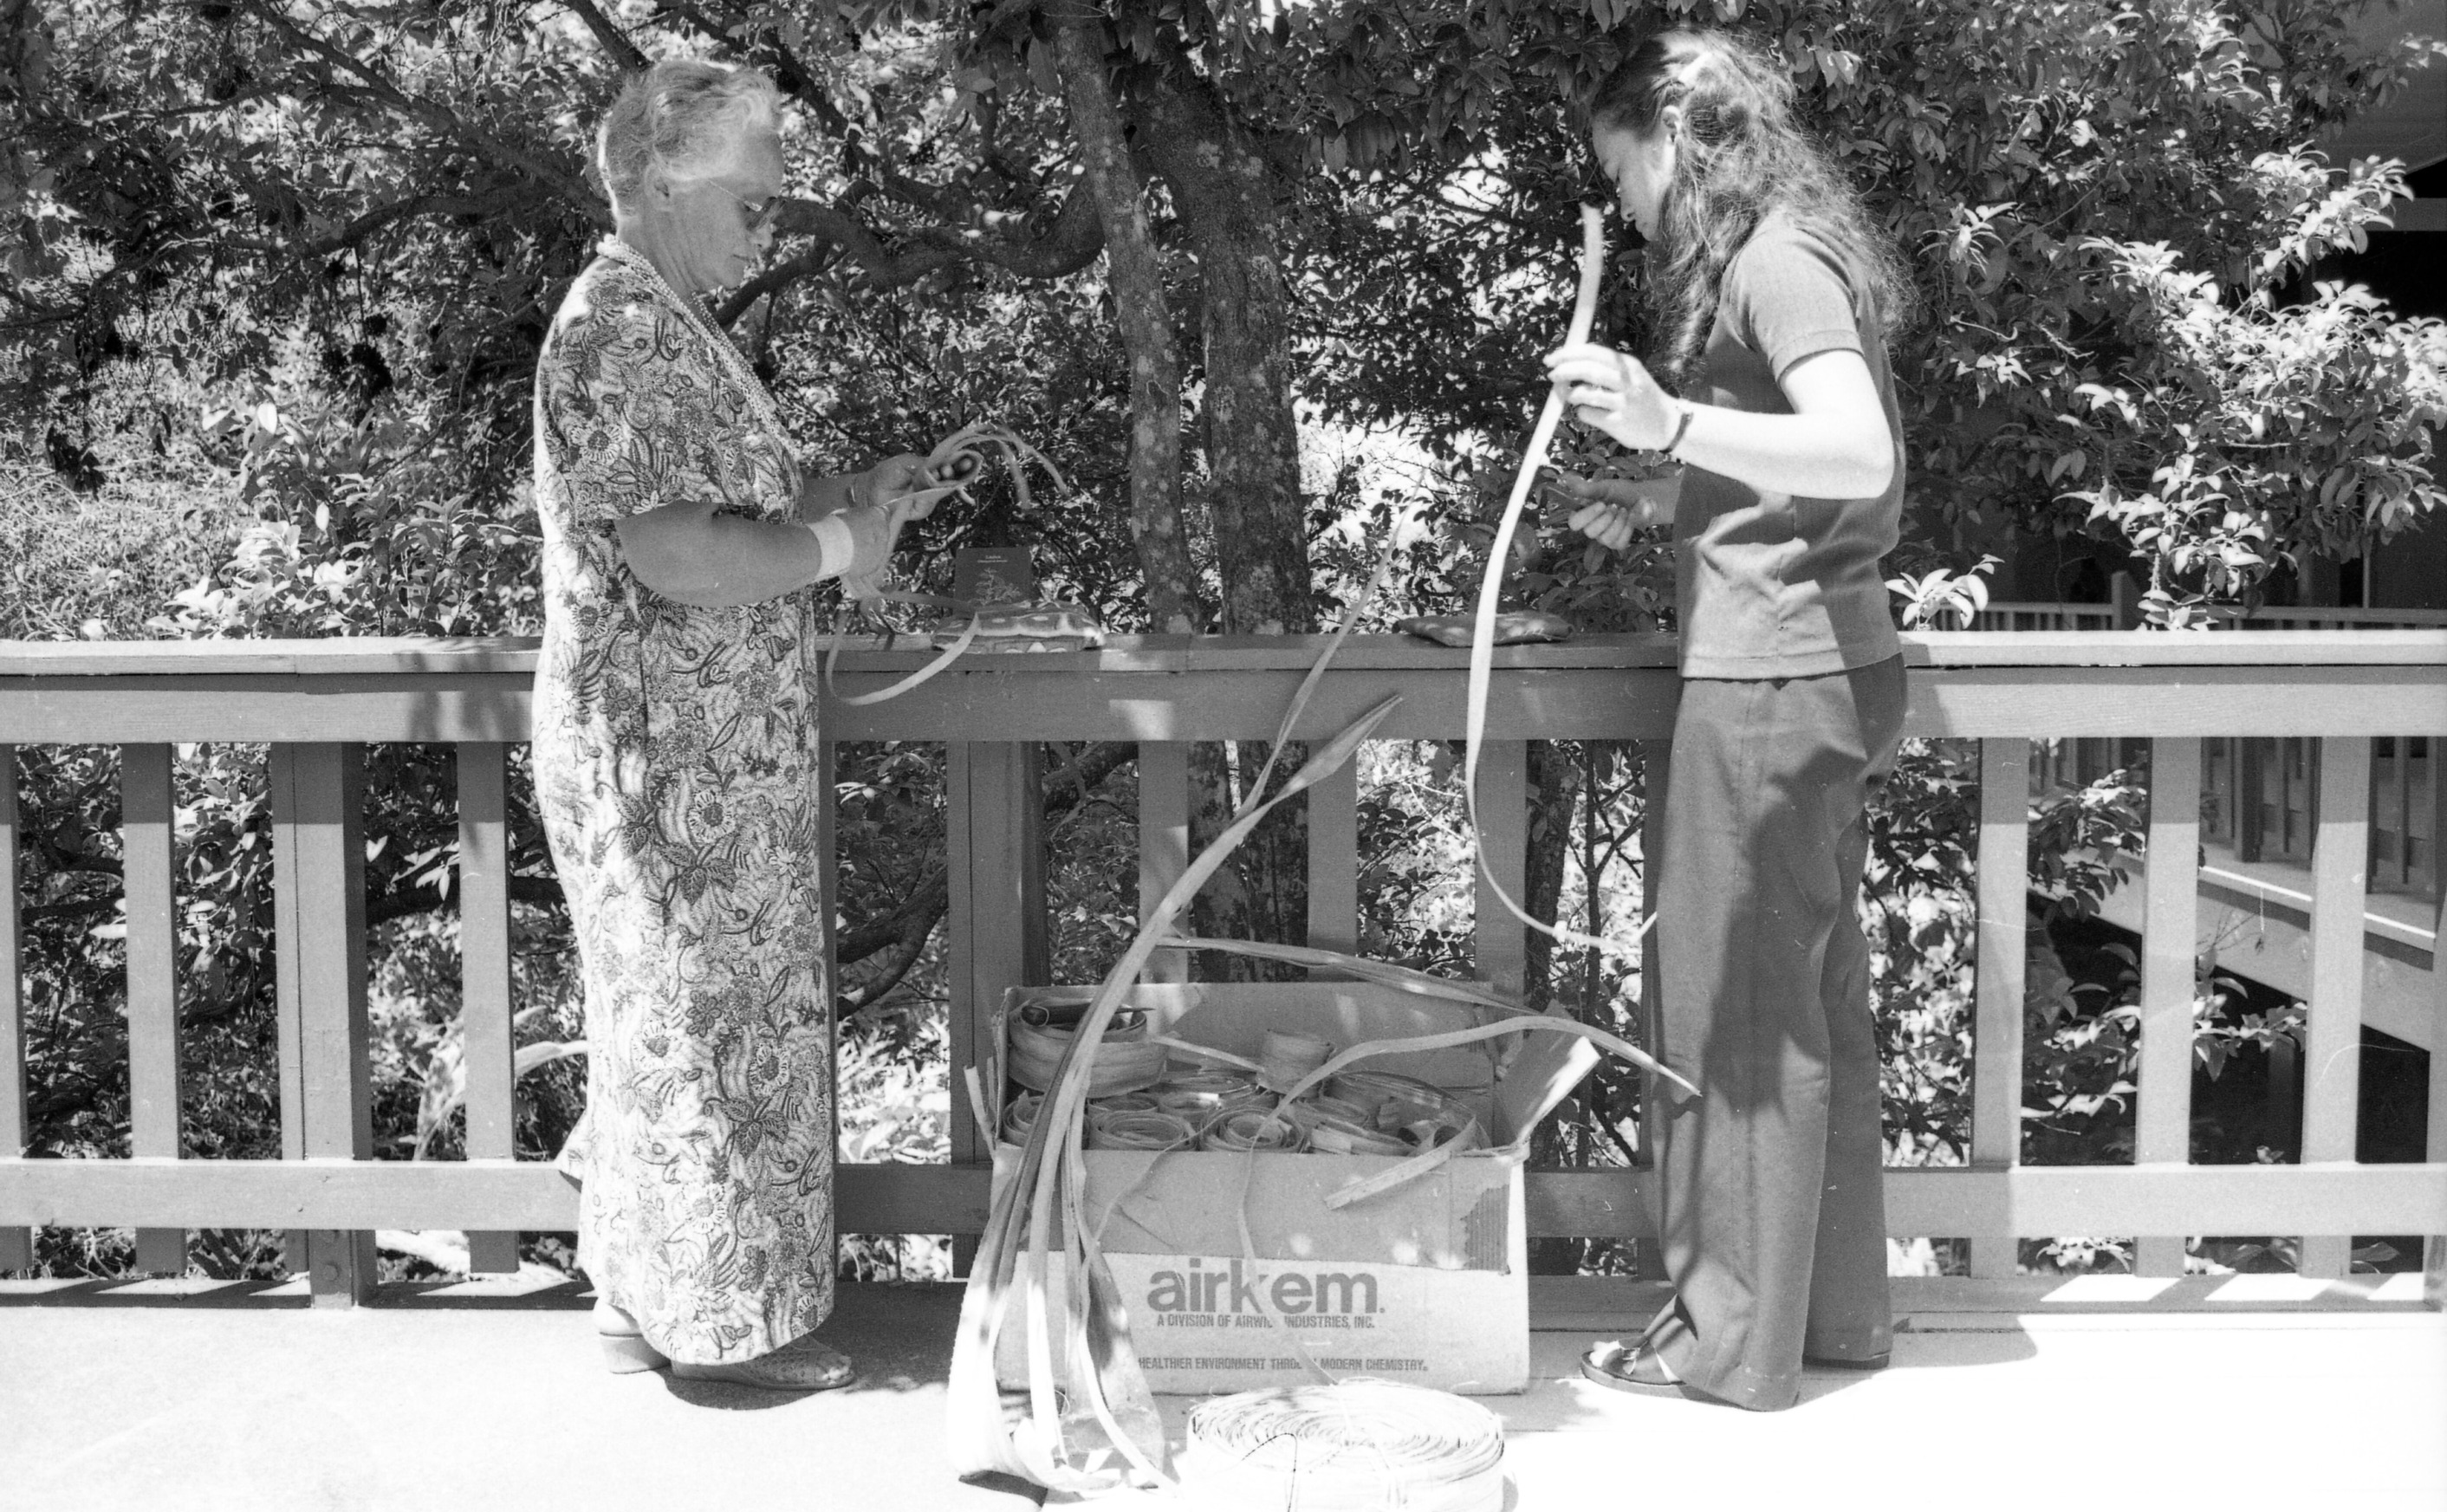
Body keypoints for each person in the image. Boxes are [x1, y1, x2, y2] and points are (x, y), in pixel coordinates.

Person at [531, 58, 941, 1390]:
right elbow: (680, 554)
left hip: (697, 752)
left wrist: (850, 494)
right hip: (665, 763)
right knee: (704, 1030)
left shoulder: (669, 320)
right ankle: (724, 1334)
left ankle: (635, 1305)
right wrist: (840, 546)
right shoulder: (619, 327)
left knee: (671, 1023)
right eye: (754, 205)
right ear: (663, 183)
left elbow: (739, 512)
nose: (770, 230)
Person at [1542, 27, 1916, 1411]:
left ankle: (1729, 1345)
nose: (1627, 206)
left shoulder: (1772, 259)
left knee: (1733, 1020)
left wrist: (1670, 427)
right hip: (1827, 668)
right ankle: (1825, 1318)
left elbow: (1858, 449)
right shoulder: (1792, 247)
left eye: (1623, 172)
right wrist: (1667, 495)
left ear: (1679, 139)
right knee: (1809, 1012)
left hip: (1771, 682)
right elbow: (1808, 482)